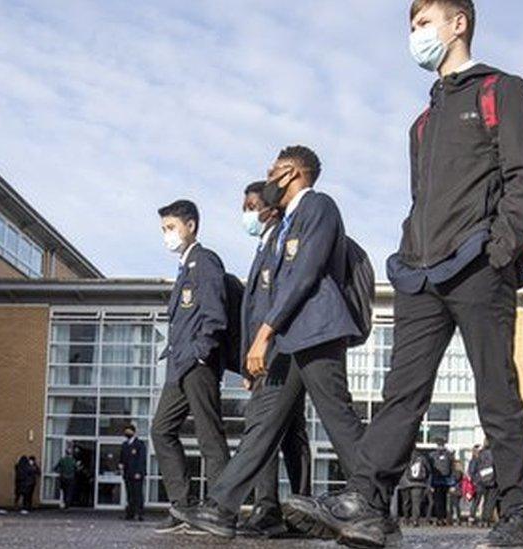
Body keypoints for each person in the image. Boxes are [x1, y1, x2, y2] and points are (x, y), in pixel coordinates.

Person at [284, 1, 523, 547]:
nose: (415, 35)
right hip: (421, 275)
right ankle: (370, 506)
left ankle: (520, 517)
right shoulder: (423, 122)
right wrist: (407, 255)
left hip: (479, 264)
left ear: (459, 24)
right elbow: (420, 200)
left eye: (424, 23)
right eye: (411, 26)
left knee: (494, 391)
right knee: (401, 392)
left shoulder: (501, 90)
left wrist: (498, 250)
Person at [178, 146, 366, 539]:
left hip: (316, 331)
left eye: (273, 170)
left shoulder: (318, 206)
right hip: (287, 340)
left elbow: (305, 274)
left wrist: (263, 333)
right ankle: (222, 508)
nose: (267, 176)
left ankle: (373, 504)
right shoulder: (284, 225)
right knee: (261, 424)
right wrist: (260, 344)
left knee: (339, 419)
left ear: (292, 173)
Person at [236, 181, 313, 538]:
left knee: (277, 430)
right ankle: (278, 509)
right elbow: (252, 313)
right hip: (264, 357)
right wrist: (247, 364)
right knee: (278, 430)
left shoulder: (281, 244)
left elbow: (277, 304)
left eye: (251, 205)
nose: (247, 213)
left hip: (281, 349)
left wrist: (265, 346)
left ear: (271, 208)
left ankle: (289, 509)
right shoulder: (263, 246)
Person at [150, 198, 233, 534]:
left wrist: (201, 352)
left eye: (170, 228)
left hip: (197, 364)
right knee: (161, 429)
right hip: (179, 366)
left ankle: (220, 510)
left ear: (191, 226)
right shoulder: (184, 268)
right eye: (163, 230)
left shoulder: (205, 261)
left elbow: (216, 315)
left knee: (209, 436)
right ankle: (183, 507)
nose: (166, 235)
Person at [119, 424, 146, 521]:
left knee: (138, 494)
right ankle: (130, 514)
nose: (127, 433)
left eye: (129, 431)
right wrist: (121, 466)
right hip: (127, 474)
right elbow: (122, 459)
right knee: (129, 494)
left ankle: (140, 514)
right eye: (126, 431)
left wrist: (139, 472)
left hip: (137, 474)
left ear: (134, 432)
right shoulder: (125, 445)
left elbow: (141, 460)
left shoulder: (139, 444)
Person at [429, 438, 455, 525]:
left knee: (437, 501)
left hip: (436, 481)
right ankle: (444, 518)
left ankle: (439, 518)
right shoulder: (449, 455)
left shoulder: (432, 455)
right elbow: (452, 469)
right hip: (447, 481)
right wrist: (452, 483)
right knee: (445, 501)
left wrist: (430, 484)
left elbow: (431, 470)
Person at [406, 450, 432, 527]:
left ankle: (407, 518)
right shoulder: (422, 459)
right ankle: (415, 520)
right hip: (420, 484)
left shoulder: (408, 458)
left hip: (409, 483)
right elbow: (428, 471)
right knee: (416, 503)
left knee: (408, 502)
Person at [448, 460, 465, 525]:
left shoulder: (457, 472)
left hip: (455, 490)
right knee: (455, 505)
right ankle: (456, 518)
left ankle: (453, 518)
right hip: (457, 490)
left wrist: (451, 486)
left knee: (453, 505)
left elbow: (455, 480)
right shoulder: (460, 472)